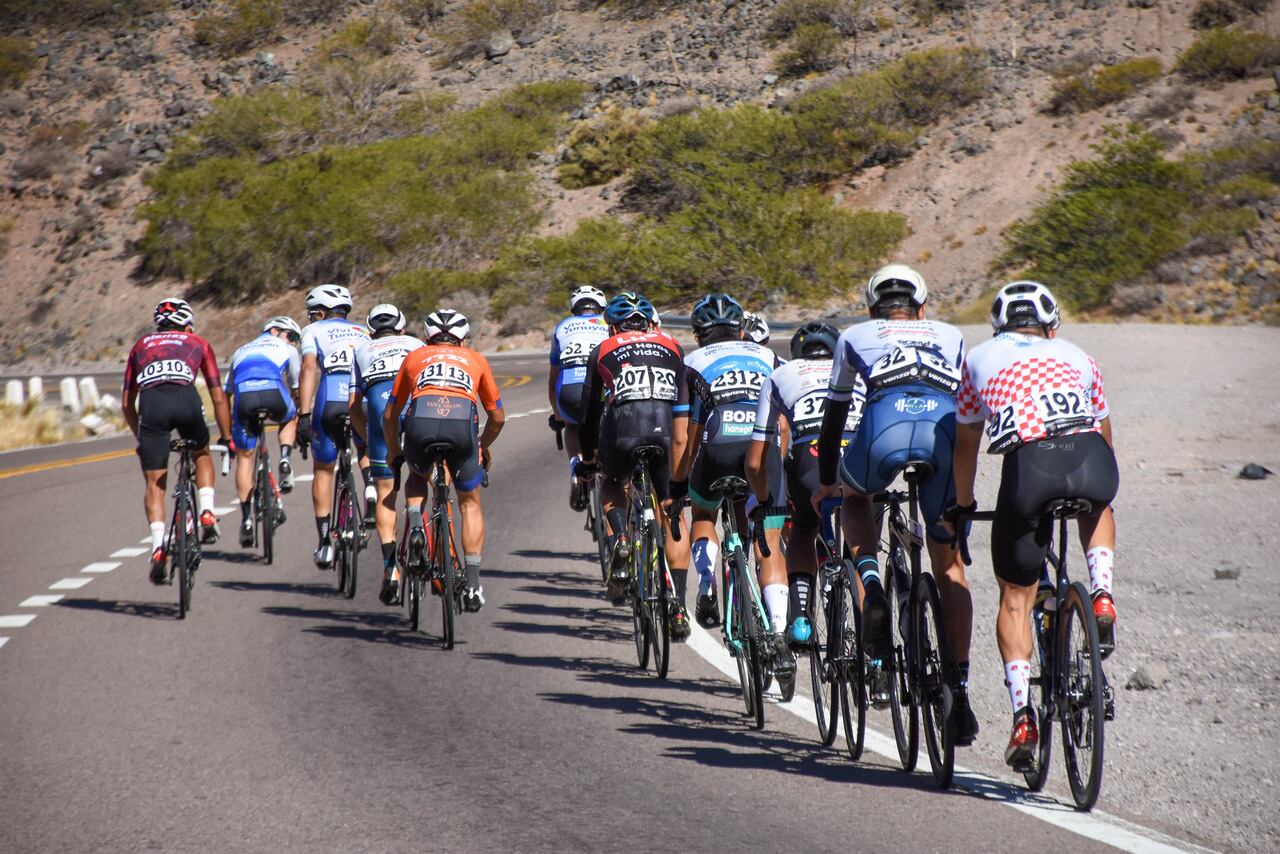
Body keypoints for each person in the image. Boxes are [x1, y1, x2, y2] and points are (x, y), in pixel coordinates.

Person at [952, 280, 1119, 769]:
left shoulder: (979, 358)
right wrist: (1101, 491)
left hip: (1029, 470)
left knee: (1015, 597)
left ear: (999, 324)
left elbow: (966, 444)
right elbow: (1104, 431)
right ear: (1052, 325)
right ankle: (1103, 593)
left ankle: (1023, 713)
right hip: (1088, 457)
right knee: (1099, 505)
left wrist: (964, 504)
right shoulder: (1079, 355)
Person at [811, 263, 979, 746]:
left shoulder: (855, 335)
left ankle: (869, 577)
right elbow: (967, 410)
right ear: (922, 307)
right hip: (940, 433)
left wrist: (827, 483)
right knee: (949, 567)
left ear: (872, 309)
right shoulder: (950, 334)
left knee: (857, 495)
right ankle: (960, 692)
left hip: (883, 428)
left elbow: (835, 412)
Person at [671, 293, 792, 678]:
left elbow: (682, 438)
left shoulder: (689, 362)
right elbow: (786, 425)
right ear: (741, 330)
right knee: (769, 543)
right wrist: (777, 465)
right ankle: (778, 635)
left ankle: (706, 584)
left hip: (717, 444)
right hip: (762, 445)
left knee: (705, 513)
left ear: (697, 336)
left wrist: (678, 486)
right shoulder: (769, 357)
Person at [577, 292, 693, 640]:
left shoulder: (603, 349)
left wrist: (587, 458)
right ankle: (678, 607)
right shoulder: (672, 344)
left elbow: (587, 413)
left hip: (622, 430)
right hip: (664, 431)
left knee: (611, 481)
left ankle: (622, 538)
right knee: (672, 513)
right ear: (649, 322)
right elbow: (682, 407)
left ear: (612, 326)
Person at [747, 322, 862, 646]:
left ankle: (799, 617)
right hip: (856, 458)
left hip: (809, 459)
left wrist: (766, 497)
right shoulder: (855, 372)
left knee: (803, 529)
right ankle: (873, 640)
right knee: (862, 537)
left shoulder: (782, 373)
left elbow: (758, 457)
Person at [385, 309, 503, 612]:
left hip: (421, 423)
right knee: (470, 502)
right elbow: (497, 417)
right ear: (464, 340)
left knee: (416, 477)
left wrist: (393, 451)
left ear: (427, 338)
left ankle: (414, 525)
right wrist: (481, 445)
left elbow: (391, 413)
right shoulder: (476, 359)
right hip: (461, 429)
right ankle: (474, 584)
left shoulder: (414, 357)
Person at [121, 298, 233, 583]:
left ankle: (159, 547)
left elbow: (126, 403)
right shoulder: (198, 342)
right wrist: (228, 436)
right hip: (186, 402)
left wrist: (140, 438)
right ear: (187, 323)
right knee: (202, 452)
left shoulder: (141, 345)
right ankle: (207, 511)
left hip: (152, 408)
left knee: (154, 485)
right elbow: (218, 395)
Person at [348, 304, 426, 606]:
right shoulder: (416, 344)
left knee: (385, 491)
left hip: (381, 414)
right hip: (416, 409)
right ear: (402, 328)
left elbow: (354, 405)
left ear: (370, 331)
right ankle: (419, 523)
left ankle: (391, 568)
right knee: (422, 475)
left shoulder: (362, 350)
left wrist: (368, 439)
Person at [295, 284, 371, 569]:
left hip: (330, 397)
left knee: (324, 469)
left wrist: (304, 415)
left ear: (323, 312)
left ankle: (325, 542)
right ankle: (371, 490)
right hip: (360, 400)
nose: (311, 318)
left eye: (313, 313)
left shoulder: (313, 331)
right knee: (365, 449)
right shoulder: (364, 331)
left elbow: (308, 368)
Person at [224, 316, 302, 548]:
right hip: (273, 393)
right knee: (291, 415)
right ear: (275, 330)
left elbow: (227, 391)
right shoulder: (287, 348)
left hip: (244, 398)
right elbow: (296, 386)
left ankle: (247, 518)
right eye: (292, 336)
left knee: (245, 459)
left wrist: (230, 427)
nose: (295, 342)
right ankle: (285, 459)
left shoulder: (240, 350)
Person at [547, 286, 610, 511]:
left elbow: (553, 378)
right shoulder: (608, 325)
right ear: (601, 308)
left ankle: (575, 463)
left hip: (568, 387)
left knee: (572, 425)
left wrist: (557, 415)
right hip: (600, 385)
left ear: (574, 309)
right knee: (606, 427)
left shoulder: (562, 326)